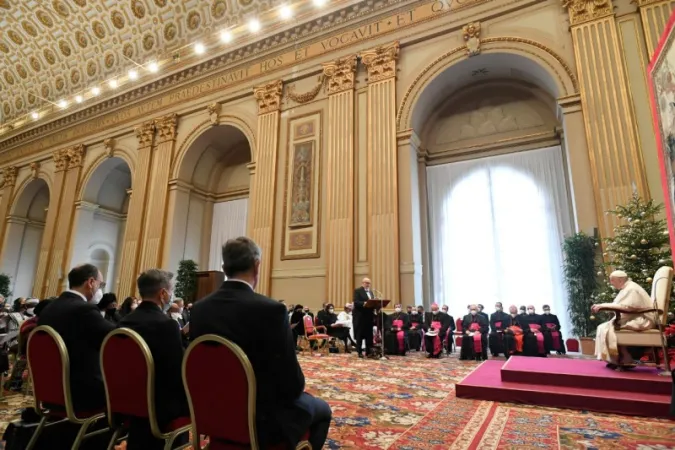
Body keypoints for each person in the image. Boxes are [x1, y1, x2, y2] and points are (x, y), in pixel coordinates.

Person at [190, 237, 331, 449]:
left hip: (213, 411)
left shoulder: (200, 309)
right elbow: (292, 384)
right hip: (263, 420)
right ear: (257, 265)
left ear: (225, 266)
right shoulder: (271, 310)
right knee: (323, 410)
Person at [117, 269, 189, 450]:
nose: (172, 296)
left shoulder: (124, 323)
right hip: (159, 408)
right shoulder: (166, 325)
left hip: (126, 399)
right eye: (171, 291)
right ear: (163, 293)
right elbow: (176, 372)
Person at [38, 264, 115, 410]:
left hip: (51, 387)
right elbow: (116, 338)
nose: (101, 289)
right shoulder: (84, 310)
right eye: (101, 284)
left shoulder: (50, 307)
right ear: (91, 282)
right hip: (81, 392)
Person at [593, 270, 655, 368]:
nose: (611, 283)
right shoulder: (627, 287)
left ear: (620, 280)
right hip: (634, 316)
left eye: (612, 280)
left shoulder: (631, 289)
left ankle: (623, 359)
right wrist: (602, 305)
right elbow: (620, 305)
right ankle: (620, 359)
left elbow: (628, 307)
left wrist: (603, 305)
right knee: (605, 327)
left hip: (642, 319)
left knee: (608, 328)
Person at [353, 277, 375, 358]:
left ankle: (368, 352)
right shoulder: (357, 291)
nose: (368, 284)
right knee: (360, 334)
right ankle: (359, 352)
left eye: (369, 283)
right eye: (366, 283)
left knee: (369, 335)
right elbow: (356, 302)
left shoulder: (371, 292)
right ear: (362, 283)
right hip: (360, 316)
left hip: (369, 317)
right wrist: (365, 303)